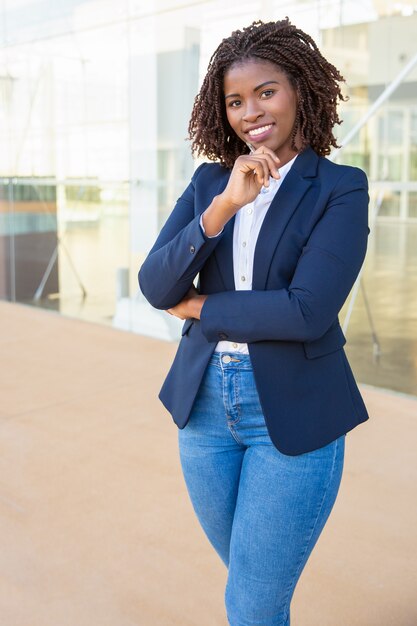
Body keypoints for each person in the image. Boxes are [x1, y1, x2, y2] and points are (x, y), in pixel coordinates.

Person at [139, 18, 369, 626]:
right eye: (235, 101)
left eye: (266, 91)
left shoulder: (339, 189)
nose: (251, 112)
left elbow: (307, 310)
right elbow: (154, 284)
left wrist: (201, 308)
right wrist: (224, 207)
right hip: (206, 407)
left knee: (251, 601)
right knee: (251, 587)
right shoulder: (212, 183)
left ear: (300, 90)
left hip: (292, 412)